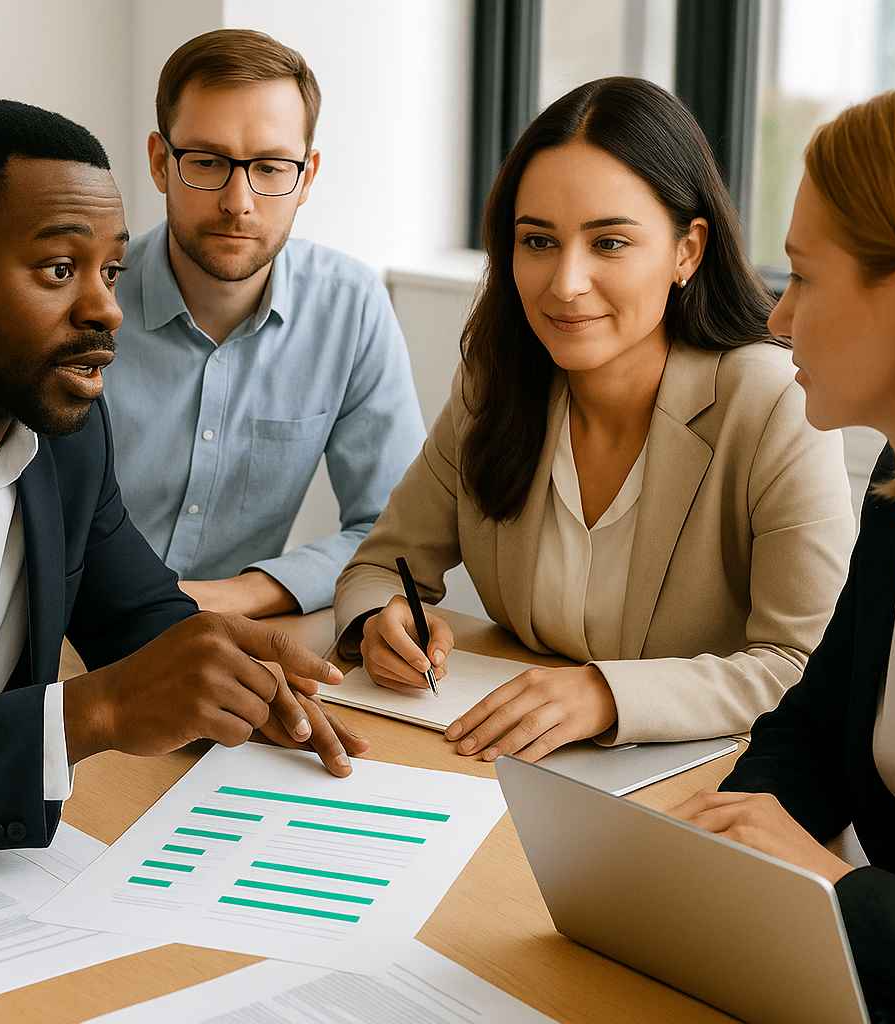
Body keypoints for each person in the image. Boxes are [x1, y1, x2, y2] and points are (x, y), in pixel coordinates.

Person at [0, 99, 368, 862]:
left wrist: (235, 675)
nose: (106, 309)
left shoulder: (58, 422)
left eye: (110, 270)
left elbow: (131, 609)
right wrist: (91, 713)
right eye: (59, 269)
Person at [334, 77, 855, 760]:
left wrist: (608, 694)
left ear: (686, 251)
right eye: (538, 241)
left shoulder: (772, 400)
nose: (565, 282)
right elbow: (382, 564)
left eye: (608, 243)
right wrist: (382, 621)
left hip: (702, 774)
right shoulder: (496, 380)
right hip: (511, 766)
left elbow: (805, 665)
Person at [672, 89, 895, 1022]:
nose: (777, 317)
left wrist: (829, 884)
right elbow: (814, 723)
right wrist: (724, 842)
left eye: (805, 277)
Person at [102, 29, 425, 619]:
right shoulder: (88, 304)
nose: (238, 200)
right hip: (73, 638)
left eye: (271, 168)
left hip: (243, 633)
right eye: (207, 162)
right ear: (158, 162)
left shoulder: (350, 307)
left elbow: (393, 534)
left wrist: (236, 595)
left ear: (306, 177)